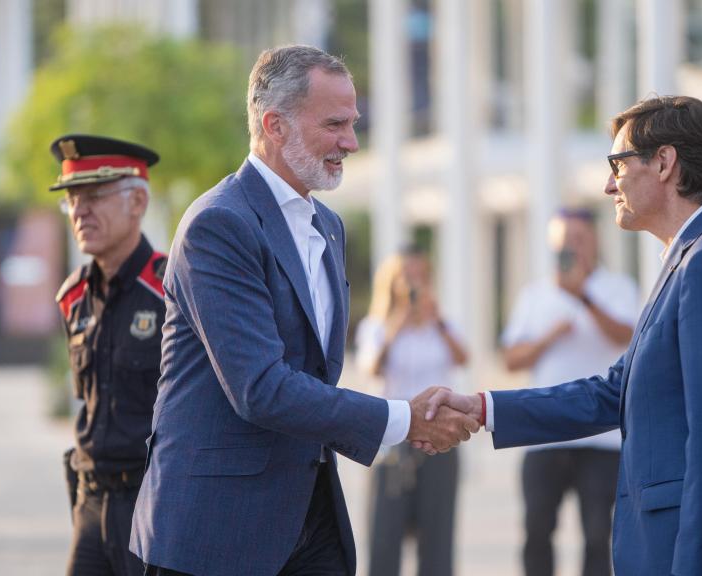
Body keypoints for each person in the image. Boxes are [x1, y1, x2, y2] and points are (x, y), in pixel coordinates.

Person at [421, 95, 702, 576]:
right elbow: (613, 392)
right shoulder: (696, 254)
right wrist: (483, 408)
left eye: (617, 164)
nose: (608, 185)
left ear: (664, 162)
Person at [130, 45, 478, 576]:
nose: (352, 142)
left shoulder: (328, 227)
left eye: (354, 123)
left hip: (307, 523)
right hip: (216, 532)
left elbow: (314, 373)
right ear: (275, 125)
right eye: (335, 124)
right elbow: (262, 388)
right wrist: (404, 419)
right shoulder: (219, 224)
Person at [500, 208, 639, 576]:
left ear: (594, 241)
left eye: (578, 239)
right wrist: (549, 338)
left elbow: (627, 336)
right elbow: (511, 358)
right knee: (536, 530)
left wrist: (584, 299)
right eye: (563, 241)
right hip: (543, 435)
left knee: (597, 535)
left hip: (602, 436)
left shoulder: (618, 288)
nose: (570, 248)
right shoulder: (535, 294)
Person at [51, 134, 166, 576]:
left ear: (137, 201)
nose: (79, 211)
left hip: (151, 503)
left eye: (94, 196)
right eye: (72, 200)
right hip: (90, 500)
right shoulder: (74, 297)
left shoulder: (171, 290)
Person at [355, 246, 469, 576]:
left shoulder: (442, 323)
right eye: (407, 276)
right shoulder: (377, 326)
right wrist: (396, 325)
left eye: (421, 276)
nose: (414, 284)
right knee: (385, 538)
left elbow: (463, 358)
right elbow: (371, 368)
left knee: (438, 541)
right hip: (393, 440)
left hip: (439, 439)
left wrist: (438, 321)